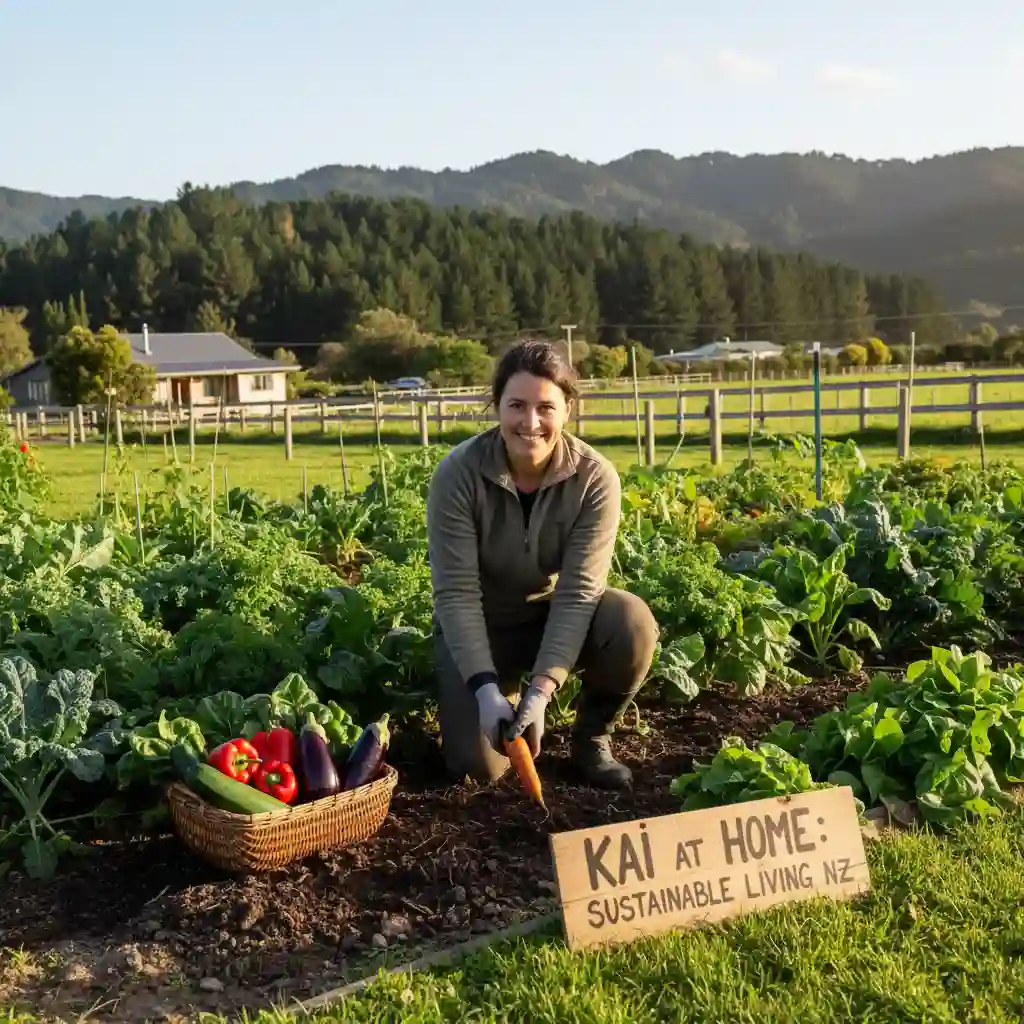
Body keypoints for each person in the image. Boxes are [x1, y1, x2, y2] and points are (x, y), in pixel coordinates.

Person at [425, 338, 659, 790]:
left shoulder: (593, 477)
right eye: (516, 405)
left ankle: (591, 738)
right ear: (497, 406)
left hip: (549, 618)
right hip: (483, 631)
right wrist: (485, 688)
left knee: (630, 622)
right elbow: (455, 594)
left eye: (545, 407)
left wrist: (542, 690)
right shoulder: (459, 474)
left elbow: (578, 594)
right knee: (478, 772)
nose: (530, 422)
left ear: (567, 409)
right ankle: (499, 694)